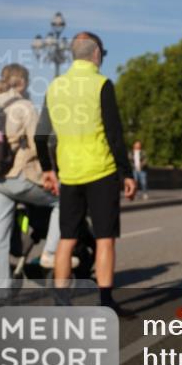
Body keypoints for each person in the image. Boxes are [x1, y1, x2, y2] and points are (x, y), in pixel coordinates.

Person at [36, 32, 137, 317]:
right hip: (101, 171)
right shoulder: (101, 84)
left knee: (67, 239)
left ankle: (60, 302)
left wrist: (48, 169)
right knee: (105, 237)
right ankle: (105, 302)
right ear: (96, 54)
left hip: (68, 173)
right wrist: (127, 173)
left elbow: (40, 136)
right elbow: (114, 135)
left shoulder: (55, 86)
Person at [0, 64, 67, 306]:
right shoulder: (23, 106)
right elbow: (39, 144)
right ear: (23, 82)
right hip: (17, 178)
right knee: (64, 201)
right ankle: (50, 254)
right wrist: (50, 172)